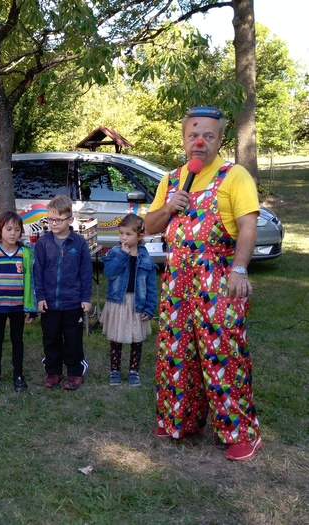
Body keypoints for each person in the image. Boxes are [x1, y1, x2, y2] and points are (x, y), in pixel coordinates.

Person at [144, 106, 262, 461]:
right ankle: (180, 420)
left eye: (208, 136)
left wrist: (239, 269)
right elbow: (149, 226)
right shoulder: (172, 179)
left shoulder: (234, 175)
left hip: (218, 278)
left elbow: (248, 226)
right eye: (193, 136)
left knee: (222, 353)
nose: (200, 142)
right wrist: (169, 207)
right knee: (175, 352)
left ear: (219, 139)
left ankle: (241, 432)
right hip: (177, 279)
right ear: (184, 140)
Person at [33, 195, 93, 390]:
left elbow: (86, 272)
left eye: (58, 220)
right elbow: (38, 272)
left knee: (73, 340)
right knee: (50, 338)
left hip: (72, 302)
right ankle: (53, 371)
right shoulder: (43, 243)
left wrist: (85, 297)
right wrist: (40, 297)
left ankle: (75, 372)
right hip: (50, 303)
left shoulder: (79, 243)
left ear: (70, 220)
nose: (53, 223)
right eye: (50, 219)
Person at [0, 211, 37, 392]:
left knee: (17, 340)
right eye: (9, 229)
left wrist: (31, 307)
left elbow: (30, 280)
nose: (13, 233)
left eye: (17, 230)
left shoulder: (25, 253)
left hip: (18, 307)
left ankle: (18, 375)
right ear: (0, 230)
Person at [100, 213, 157, 387]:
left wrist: (150, 308)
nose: (123, 237)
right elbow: (109, 273)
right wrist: (122, 256)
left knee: (136, 339)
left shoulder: (146, 257)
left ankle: (134, 371)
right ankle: (115, 370)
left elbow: (151, 286)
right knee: (116, 338)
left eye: (128, 234)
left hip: (137, 303)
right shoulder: (114, 252)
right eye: (121, 233)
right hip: (118, 302)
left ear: (140, 236)